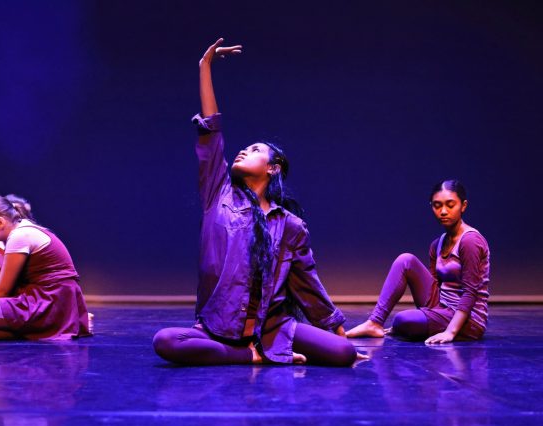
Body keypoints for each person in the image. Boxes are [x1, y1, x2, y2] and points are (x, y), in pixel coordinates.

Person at [153, 38, 364, 366]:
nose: (243, 151)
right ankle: (246, 355)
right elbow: (211, 132)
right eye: (244, 148)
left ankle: (259, 351)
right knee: (166, 341)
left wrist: (337, 331)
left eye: (254, 150)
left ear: (272, 168)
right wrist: (204, 67)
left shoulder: (291, 226)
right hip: (219, 327)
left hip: (273, 328)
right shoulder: (218, 195)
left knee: (344, 353)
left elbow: (307, 283)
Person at [346, 180, 490, 344]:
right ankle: (374, 322)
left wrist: (450, 332)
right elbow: (435, 287)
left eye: (450, 205)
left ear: (463, 206)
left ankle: (424, 325)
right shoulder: (437, 244)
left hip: (468, 319)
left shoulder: (470, 241)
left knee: (403, 319)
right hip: (442, 308)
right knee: (405, 260)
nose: (443, 211)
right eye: (437, 206)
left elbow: (470, 292)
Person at [0, 195, 90, 340]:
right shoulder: (22, 229)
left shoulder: (20, 236)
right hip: (46, 297)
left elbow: (2, 289)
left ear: (0, 222)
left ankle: (9, 329)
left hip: (48, 302)